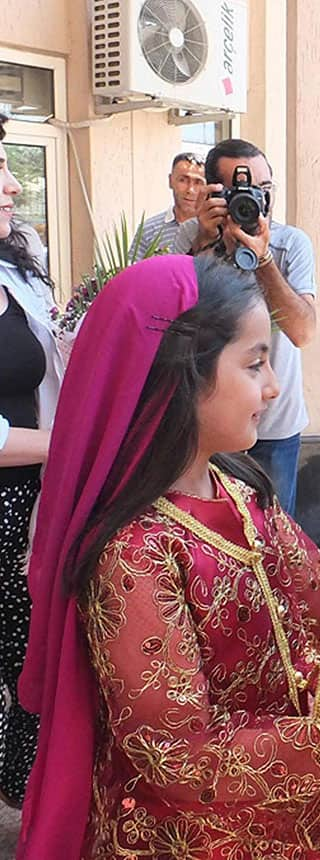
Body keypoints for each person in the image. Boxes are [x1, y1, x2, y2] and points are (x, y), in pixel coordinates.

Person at [16, 255, 320, 859]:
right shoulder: (135, 552)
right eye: (254, 363)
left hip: (292, 810)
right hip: (195, 838)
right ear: (178, 379)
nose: (273, 386)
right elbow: (176, 757)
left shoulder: (243, 493)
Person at [173, 138, 317, 515]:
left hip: (273, 424)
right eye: (243, 190)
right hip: (209, 422)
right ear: (214, 193)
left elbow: (302, 332)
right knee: (210, 529)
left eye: (264, 189)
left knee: (273, 536)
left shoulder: (290, 244)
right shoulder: (191, 238)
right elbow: (171, 324)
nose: (255, 199)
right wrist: (205, 244)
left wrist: (264, 258)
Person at [0, 112, 64, 808]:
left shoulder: (18, 261)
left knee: (29, 664)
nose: (14, 185)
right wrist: (68, 445)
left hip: (30, 504)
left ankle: (27, 801)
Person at [134, 152, 206, 257]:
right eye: (183, 180)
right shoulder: (148, 230)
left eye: (198, 182)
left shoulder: (214, 228)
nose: (190, 190)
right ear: (170, 181)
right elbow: (133, 270)